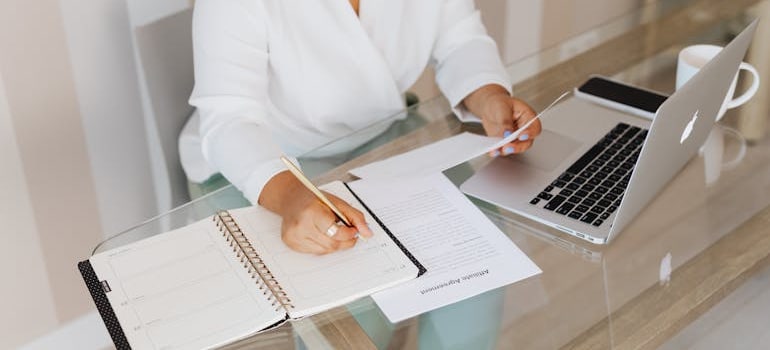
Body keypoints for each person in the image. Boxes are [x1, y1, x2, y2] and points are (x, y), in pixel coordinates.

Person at [186, 0, 542, 255]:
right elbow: (229, 120)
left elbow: (460, 40)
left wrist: (488, 95)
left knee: (483, 240)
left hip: (385, 137)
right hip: (267, 163)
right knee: (355, 286)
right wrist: (295, 196)